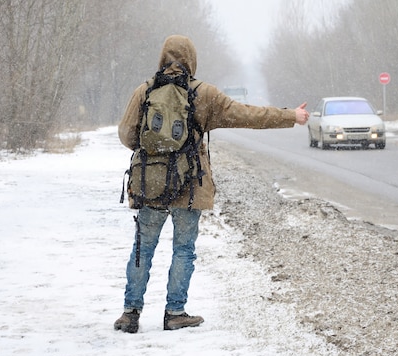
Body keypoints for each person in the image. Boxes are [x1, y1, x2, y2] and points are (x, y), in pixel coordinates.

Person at [114, 35, 309, 333]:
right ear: (191, 59)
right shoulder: (204, 94)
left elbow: (127, 135)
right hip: (189, 186)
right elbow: (247, 115)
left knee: (143, 247)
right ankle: (175, 312)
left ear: (162, 58)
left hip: (149, 184)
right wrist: (289, 116)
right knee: (183, 249)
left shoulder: (145, 91)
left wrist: (156, 152)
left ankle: (130, 313)